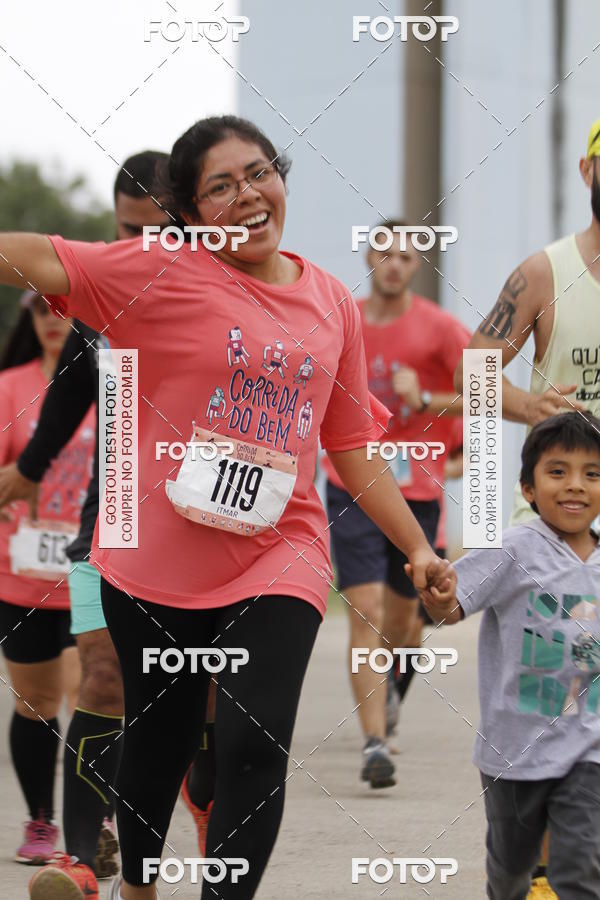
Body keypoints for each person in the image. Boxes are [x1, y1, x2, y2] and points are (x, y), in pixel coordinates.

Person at [0, 116, 453, 900]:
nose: (248, 193)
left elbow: (348, 445)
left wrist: (417, 547)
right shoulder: (154, 270)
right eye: (221, 185)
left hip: (282, 551)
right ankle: (137, 883)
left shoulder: (330, 305)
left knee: (253, 742)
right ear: (187, 210)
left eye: (260, 172)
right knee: (161, 741)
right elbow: (34, 256)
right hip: (155, 562)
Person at [0, 152, 171, 894]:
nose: (136, 245)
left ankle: (156, 856)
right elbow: (71, 387)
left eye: (153, 230)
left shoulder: (230, 284)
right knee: (100, 674)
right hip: (111, 516)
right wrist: (26, 474)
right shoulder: (107, 288)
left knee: (194, 720)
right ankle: (79, 861)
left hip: (203, 531)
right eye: (123, 229)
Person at [455, 117, 600, 898]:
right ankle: (536, 863)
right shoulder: (545, 274)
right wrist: (527, 405)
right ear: (588, 169)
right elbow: (475, 371)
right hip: (558, 520)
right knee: (555, 697)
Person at [418, 411, 600, 900]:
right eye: (557, 471)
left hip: (590, 747)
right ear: (527, 488)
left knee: (580, 866)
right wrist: (439, 598)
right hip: (513, 750)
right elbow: (455, 602)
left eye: (592, 473)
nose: (575, 486)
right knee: (512, 870)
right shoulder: (514, 549)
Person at [321, 221, 469, 787]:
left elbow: (482, 386)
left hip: (418, 494)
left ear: (418, 267)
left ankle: (392, 694)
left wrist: (427, 397)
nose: (395, 264)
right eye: (386, 252)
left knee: (407, 623)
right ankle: (375, 743)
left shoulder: (438, 328)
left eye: (408, 256)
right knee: (368, 614)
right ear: (368, 255)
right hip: (351, 484)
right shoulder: (343, 320)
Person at [0, 291, 95, 864]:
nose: (54, 320)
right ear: (28, 319)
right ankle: (41, 820)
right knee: (35, 702)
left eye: (65, 309)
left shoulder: (110, 378)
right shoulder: (9, 387)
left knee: (91, 692)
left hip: (92, 569)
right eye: (41, 309)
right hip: (22, 572)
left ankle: (97, 823)